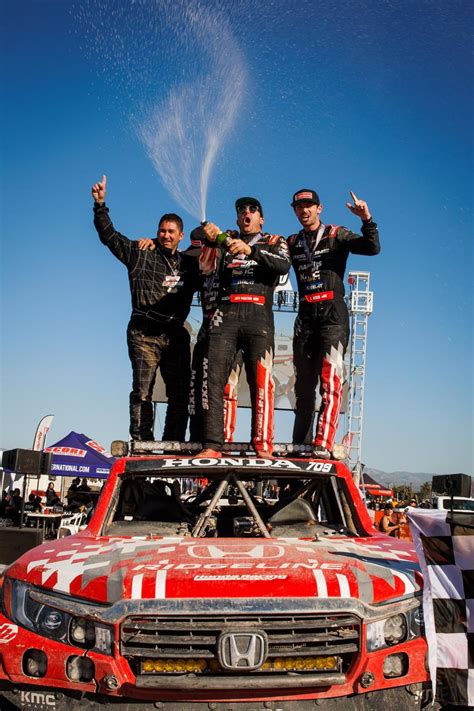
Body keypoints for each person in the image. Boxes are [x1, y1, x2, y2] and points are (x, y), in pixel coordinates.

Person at [92, 175, 200, 441]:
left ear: (180, 236)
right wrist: (100, 206)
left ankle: (172, 441)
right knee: (142, 390)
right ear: (157, 231)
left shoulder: (190, 265)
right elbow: (110, 237)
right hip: (144, 332)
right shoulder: (141, 253)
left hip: (175, 334)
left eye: (170, 232)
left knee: (180, 393)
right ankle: (142, 441)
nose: (165, 235)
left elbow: (213, 262)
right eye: (162, 230)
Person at [288, 189, 380, 459]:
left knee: (331, 381)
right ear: (294, 210)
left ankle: (322, 443)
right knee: (303, 387)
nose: (304, 210)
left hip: (332, 314)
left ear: (319, 208)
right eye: (299, 206)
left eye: (309, 205)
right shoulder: (292, 241)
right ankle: (299, 447)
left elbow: (372, 248)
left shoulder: (336, 234)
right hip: (305, 314)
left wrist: (367, 219)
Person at [196, 197, 291, 458]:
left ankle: (262, 445)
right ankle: (213, 444)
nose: (246, 213)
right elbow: (204, 267)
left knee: (261, 382)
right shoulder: (226, 239)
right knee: (215, 381)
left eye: (252, 210)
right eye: (241, 211)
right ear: (237, 218)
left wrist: (251, 252)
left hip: (258, 315)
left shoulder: (274, 241)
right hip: (225, 314)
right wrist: (210, 238)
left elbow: (283, 265)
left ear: (261, 219)